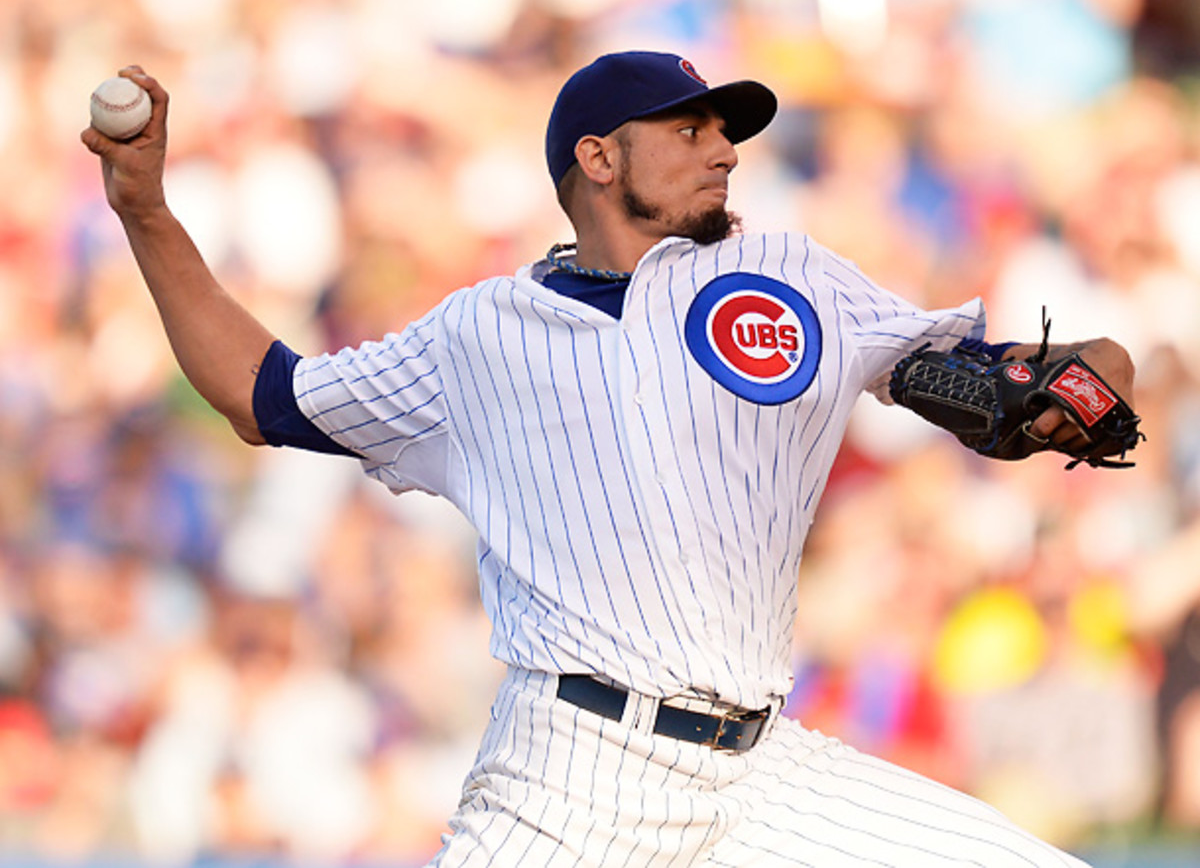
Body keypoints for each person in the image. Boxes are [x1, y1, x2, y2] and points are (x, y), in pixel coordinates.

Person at [83, 51, 1136, 867]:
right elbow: (259, 394)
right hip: (570, 781)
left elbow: (970, 385)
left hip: (765, 774)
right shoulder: (478, 337)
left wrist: (1078, 381)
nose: (723, 150)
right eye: (688, 130)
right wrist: (145, 210)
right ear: (597, 157)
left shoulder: (789, 275)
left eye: (726, 132)